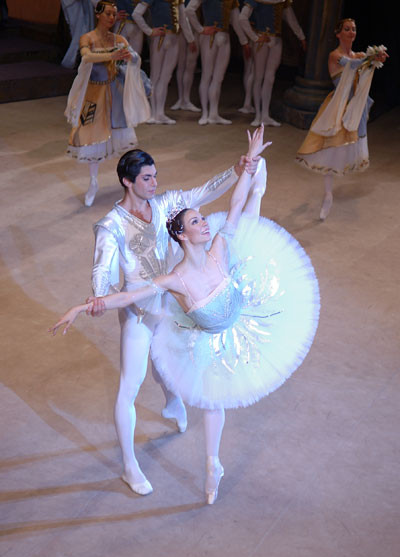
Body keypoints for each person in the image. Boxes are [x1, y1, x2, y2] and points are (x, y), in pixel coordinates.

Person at [51, 126, 320, 505]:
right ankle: (129, 465)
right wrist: (95, 301)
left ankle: (173, 401)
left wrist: (240, 168)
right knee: (130, 383)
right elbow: (102, 271)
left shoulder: (167, 204)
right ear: (128, 182)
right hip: (141, 309)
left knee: (172, 370)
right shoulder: (111, 226)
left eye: (155, 176)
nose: (154, 183)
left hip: (178, 301)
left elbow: (207, 193)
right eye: (147, 178)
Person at [295, 18, 388, 220]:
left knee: (343, 151)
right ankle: (328, 194)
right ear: (338, 34)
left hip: (354, 109)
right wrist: (371, 58)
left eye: (353, 29)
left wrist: (377, 57)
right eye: (347, 29)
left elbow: (364, 64)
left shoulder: (359, 55)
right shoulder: (335, 56)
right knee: (331, 150)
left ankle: (330, 193)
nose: (351, 32)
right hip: (337, 108)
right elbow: (351, 65)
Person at [65, 0, 151, 207]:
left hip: (115, 95)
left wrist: (130, 57)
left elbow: (134, 59)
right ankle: (93, 181)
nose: (112, 18)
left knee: (122, 137)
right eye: (108, 14)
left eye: (114, 14)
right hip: (93, 95)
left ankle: (129, 181)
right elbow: (86, 57)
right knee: (90, 138)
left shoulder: (119, 39)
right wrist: (111, 55)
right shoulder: (88, 38)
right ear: (98, 15)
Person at [239, 0, 306, 127]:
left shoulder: (282, 2)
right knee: (258, 77)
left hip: (276, 40)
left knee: (270, 78)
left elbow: (291, 19)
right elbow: (242, 18)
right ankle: (258, 114)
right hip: (262, 40)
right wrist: (255, 37)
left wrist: (301, 36)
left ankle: (265, 114)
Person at [185, 0, 250, 125]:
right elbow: (189, 10)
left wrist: (244, 41)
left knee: (218, 78)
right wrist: (200, 29)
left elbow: (235, 20)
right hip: (209, 36)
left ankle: (213, 113)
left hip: (224, 36)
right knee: (207, 75)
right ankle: (205, 113)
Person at [132, 0, 196, 124]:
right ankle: (152, 113)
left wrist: (190, 39)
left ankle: (160, 113)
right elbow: (136, 14)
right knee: (155, 76)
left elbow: (183, 18)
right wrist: (150, 31)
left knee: (166, 77)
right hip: (159, 39)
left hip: (174, 39)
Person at [170, 0, 201, 113]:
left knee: (190, 65)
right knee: (181, 65)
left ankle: (186, 99)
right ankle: (181, 98)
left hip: (194, 29)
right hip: (181, 30)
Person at [61, 0, 95, 69]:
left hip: (81, 4)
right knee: (79, 32)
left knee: (82, 32)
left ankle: (76, 61)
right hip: (73, 4)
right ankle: (70, 61)